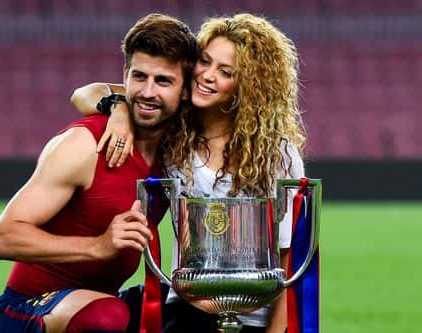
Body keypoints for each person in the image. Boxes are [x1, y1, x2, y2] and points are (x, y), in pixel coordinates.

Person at [70, 13, 306, 333]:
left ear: (248, 86)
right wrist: (119, 108)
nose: (207, 76)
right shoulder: (175, 129)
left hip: (253, 316)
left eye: (225, 72)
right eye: (204, 61)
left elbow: (287, 256)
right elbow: (84, 93)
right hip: (186, 307)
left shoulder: (276, 152)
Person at [0, 13, 197, 333]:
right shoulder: (86, 145)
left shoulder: (176, 148)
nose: (148, 92)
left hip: (101, 301)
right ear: (125, 75)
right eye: (139, 77)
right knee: (107, 318)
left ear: (185, 90)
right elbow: (0, 239)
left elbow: (90, 91)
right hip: (27, 309)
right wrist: (98, 246)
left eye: (163, 81)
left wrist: (118, 105)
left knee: (191, 308)